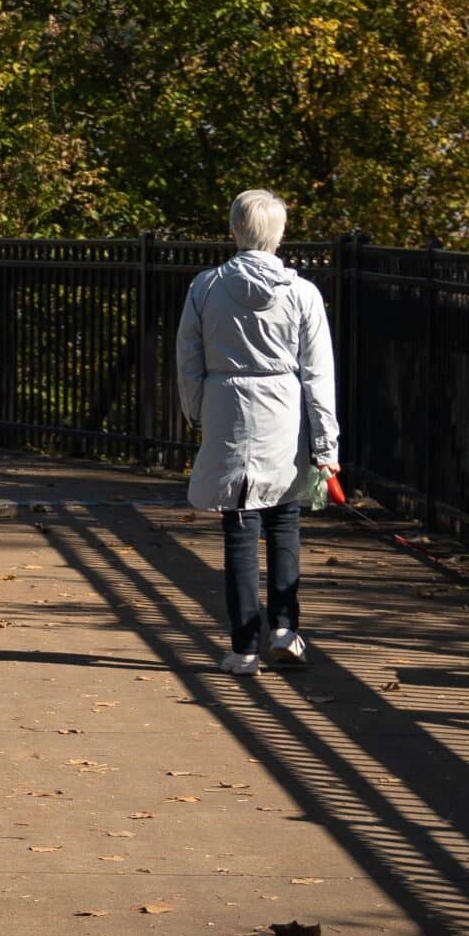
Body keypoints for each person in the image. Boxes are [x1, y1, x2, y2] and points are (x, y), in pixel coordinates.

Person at [176, 190, 340, 674]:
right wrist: (326, 444)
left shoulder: (205, 288)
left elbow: (188, 359)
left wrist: (198, 412)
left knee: (240, 527)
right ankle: (286, 628)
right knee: (285, 520)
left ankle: (244, 646)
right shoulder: (302, 293)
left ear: (234, 229)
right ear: (279, 232)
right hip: (285, 412)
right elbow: (318, 373)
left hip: (228, 406)